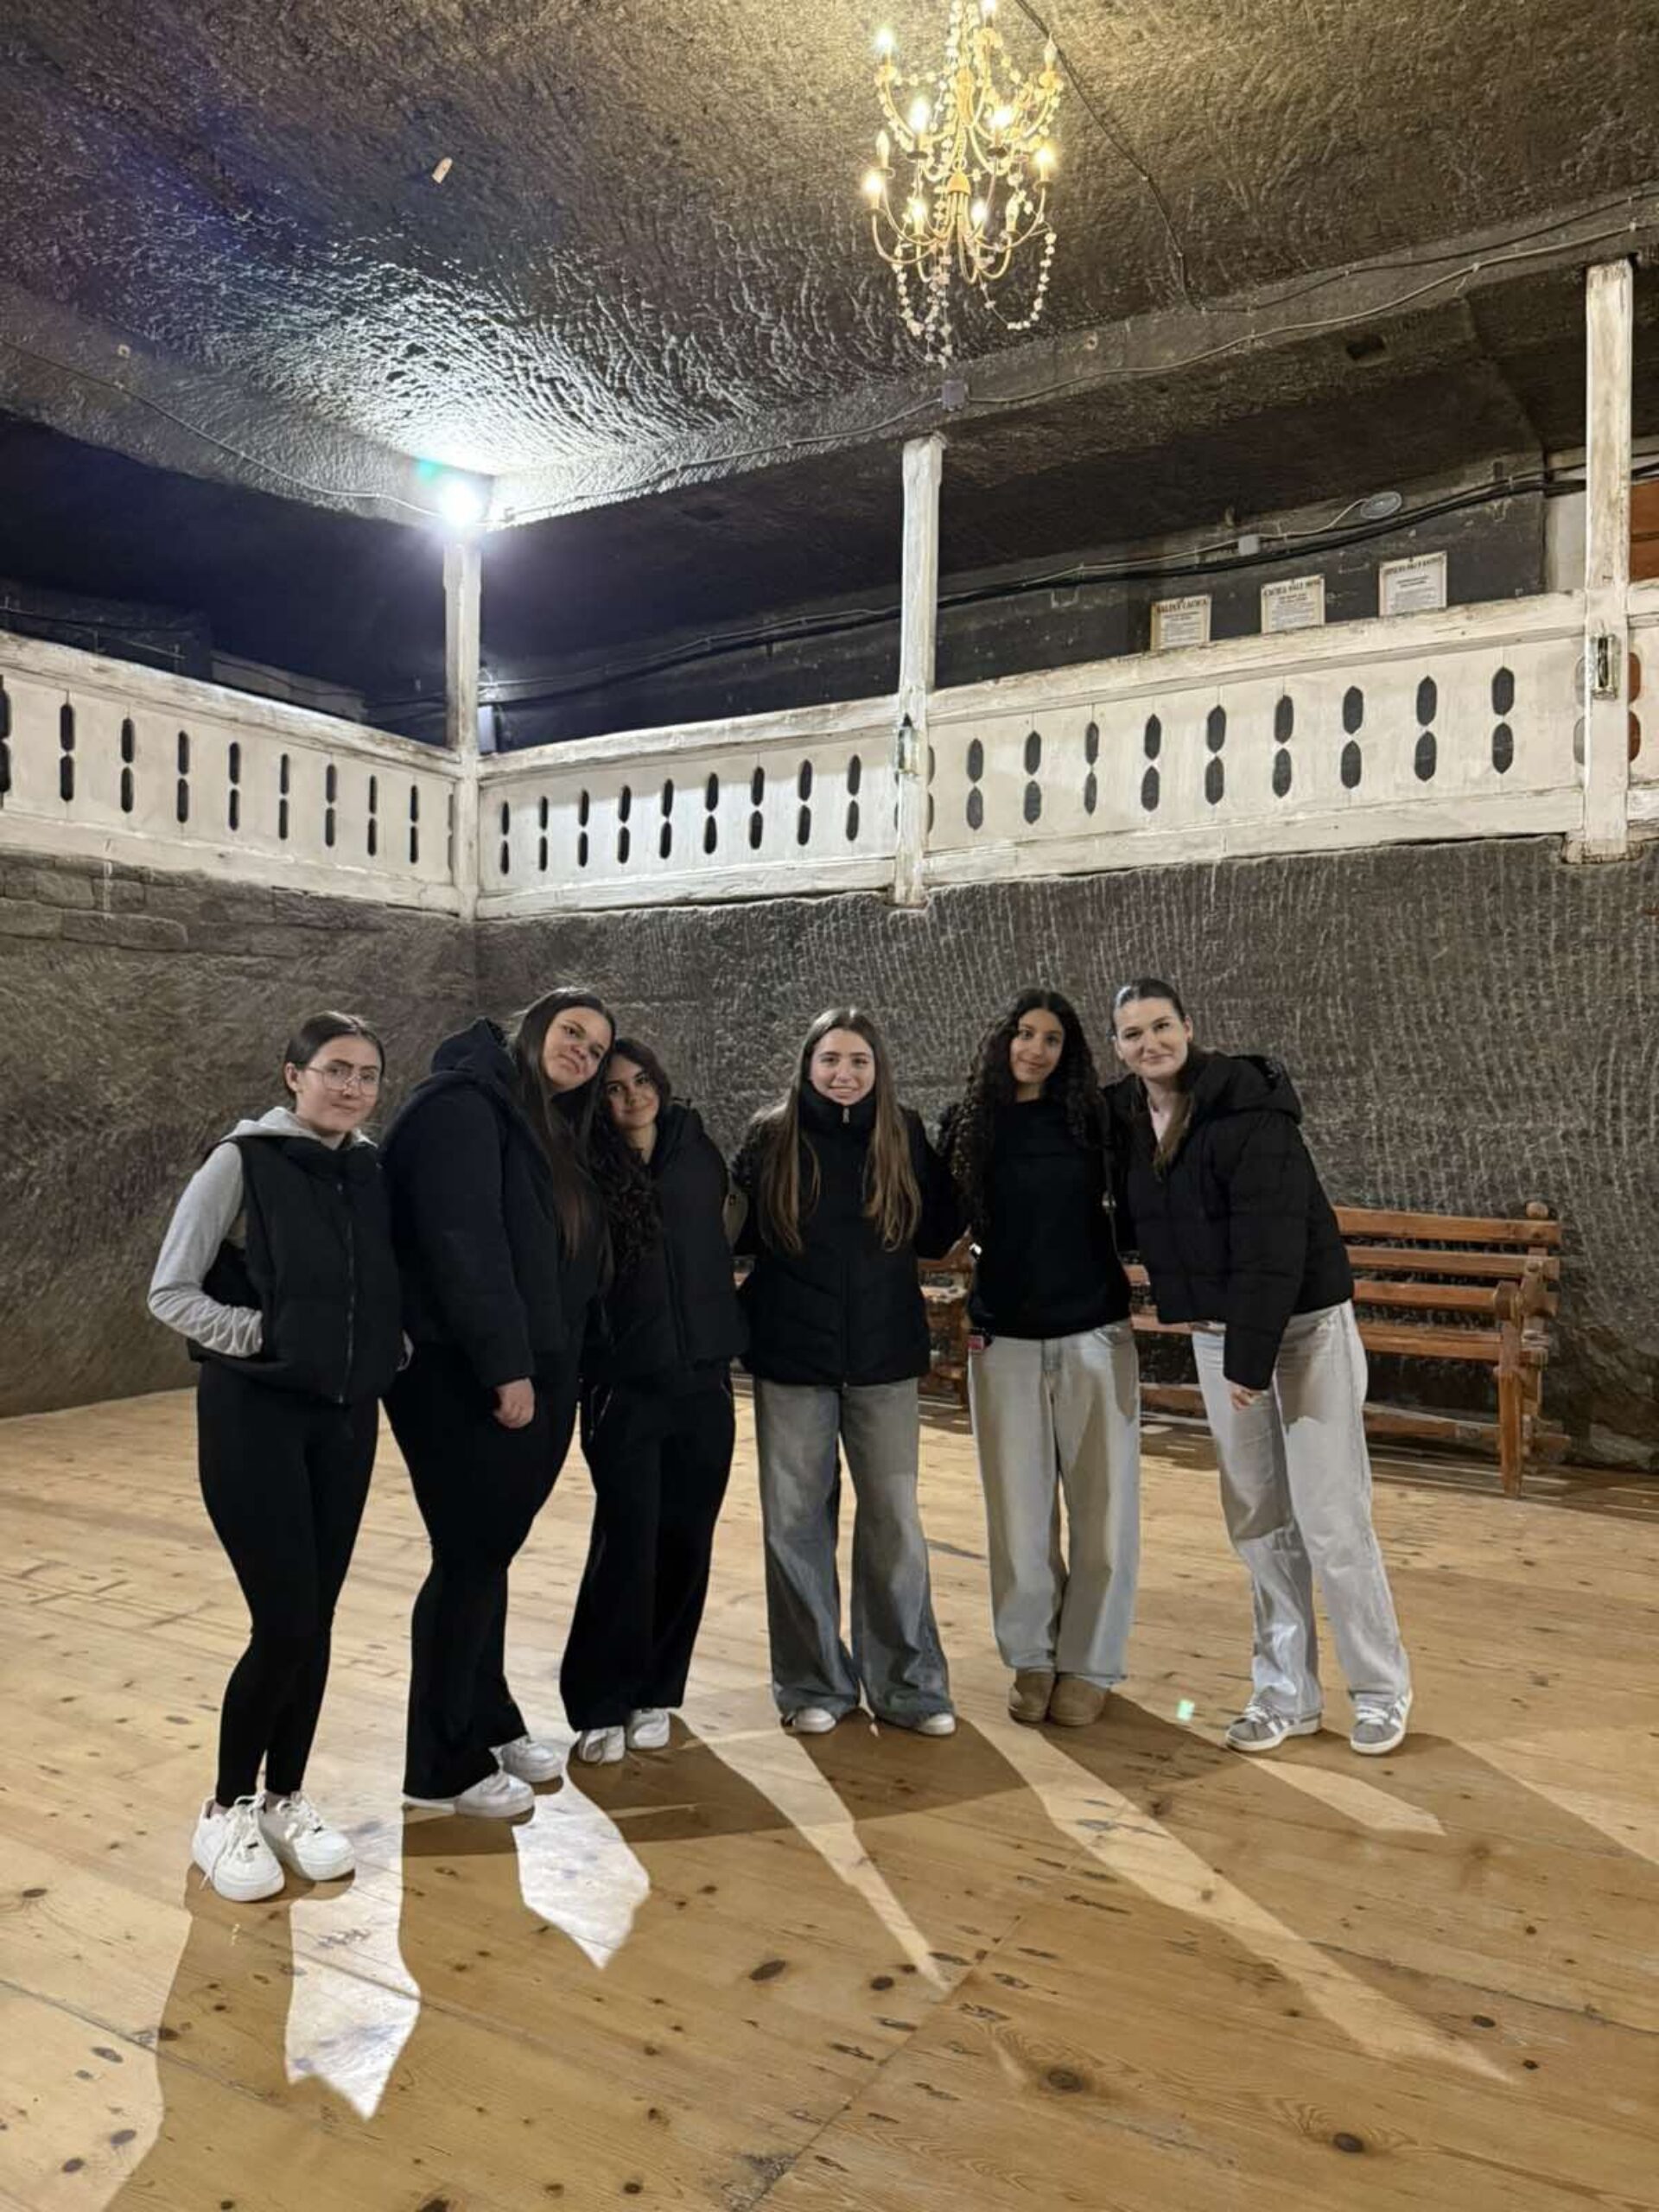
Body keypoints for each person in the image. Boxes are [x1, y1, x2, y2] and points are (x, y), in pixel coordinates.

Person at [1106, 978, 1412, 1757]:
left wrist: (1249, 1360)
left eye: (1162, 1026)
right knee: (1257, 1520)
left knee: (1331, 1517)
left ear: (1189, 1026)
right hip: (1220, 1336)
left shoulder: (1251, 1110)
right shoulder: (1127, 1119)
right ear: (1118, 1047)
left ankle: (1380, 1690)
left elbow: (1273, 1247)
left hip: (1303, 1329)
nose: (1150, 1043)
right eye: (1133, 1033)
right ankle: (1285, 1694)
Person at [148, 1012, 403, 1900]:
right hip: (253, 1417)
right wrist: (267, 1338)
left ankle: (287, 1797)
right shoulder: (242, 1161)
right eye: (336, 1068)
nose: (352, 1087)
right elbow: (171, 1290)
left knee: (317, 1620)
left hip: (344, 1420)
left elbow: (379, 1285)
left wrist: (387, 1344)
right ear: (294, 1074)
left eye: (367, 1074)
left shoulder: (370, 1169)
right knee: (286, 1621)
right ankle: (225, 1810)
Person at [381, 989, 613, 1815]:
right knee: (470, 1557)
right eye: (572, 1032)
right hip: (466, 1376)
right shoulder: (461, 1106)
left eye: (597, 1048)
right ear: (533, 1027)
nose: (583, 1052)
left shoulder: (537, 1120)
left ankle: (486, 1716)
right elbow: (463, 1247)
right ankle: (438, 1768)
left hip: (533, 1370)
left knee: (488, 1554)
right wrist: (506, 1369)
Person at [733, 1007, 958, 1738]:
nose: (843, 1073)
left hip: (884, 1358)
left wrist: (961, 1152)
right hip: (791, 1357)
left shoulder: (903, 1131)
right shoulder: (771, 1136)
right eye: (830, 1059)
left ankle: (909, 1686)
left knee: (894, 1523)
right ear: (808, 1065)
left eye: (858, 1060)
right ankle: (813, 1684)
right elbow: (735, 1234)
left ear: (877, 1068)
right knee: (794, 1524)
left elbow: (936, 1230)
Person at [942, 988, 1140, 1728]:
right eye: (1024, 1034)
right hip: (1004, 1340)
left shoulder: (1095, 1120)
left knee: (1104, 1511)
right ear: (1003, 1040)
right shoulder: (969, 1126)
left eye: (1051, 1039)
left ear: (1069, 1052)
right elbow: (937, 1220)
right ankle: (1031, 1656)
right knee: (1018, 1513)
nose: (1035, 1049)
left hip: (1094, 1334)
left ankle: (1089, 1662)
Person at [561, 1040, 747, 1764]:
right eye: (614, 1088)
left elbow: (726, 1234)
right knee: (626, 1545)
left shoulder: (697, 1151)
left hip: (703, 1381)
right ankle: (600, 1700)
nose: (632, 1096)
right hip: (625, 1385)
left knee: (686, 1541)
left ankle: (658, 1692)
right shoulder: (585, 1167)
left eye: (642, 1081)